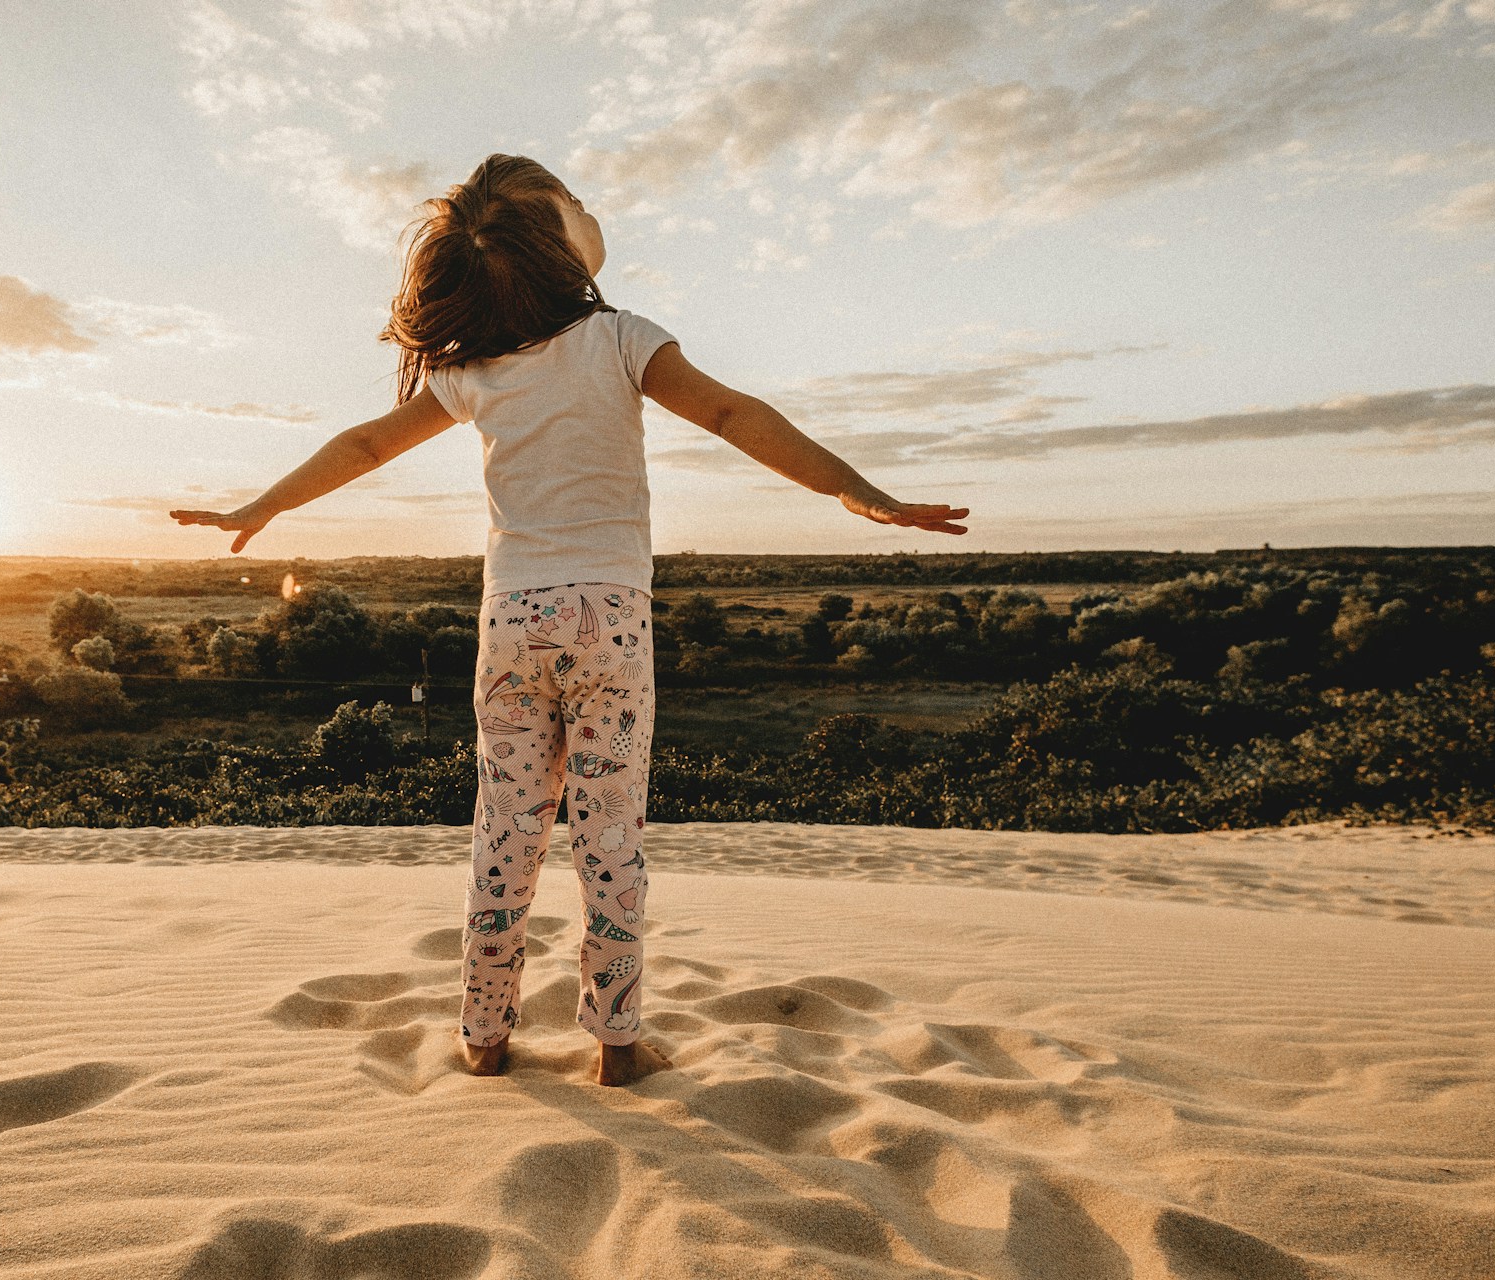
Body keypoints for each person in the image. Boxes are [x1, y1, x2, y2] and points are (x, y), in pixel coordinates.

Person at [172, 154, 969, 1087]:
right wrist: (856, 491)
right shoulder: (623, 339)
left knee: (505, 832)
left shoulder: (472, 370)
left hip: (512, 620)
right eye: (578, 203)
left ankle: (483, 1035)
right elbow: (729, 411)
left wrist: (262, 507)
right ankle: (619, 1045)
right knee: (611, 836)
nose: (595, 213)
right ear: (556, 240)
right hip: (611, 621)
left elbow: (363, 443)